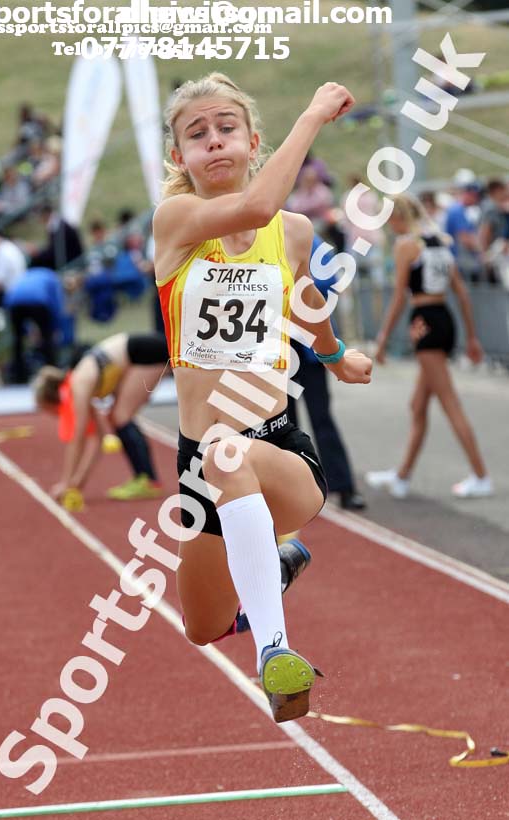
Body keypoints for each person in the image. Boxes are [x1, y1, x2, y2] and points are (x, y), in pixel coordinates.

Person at [153, 73, 371, 723]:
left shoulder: (295, 232)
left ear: (253, 143)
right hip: (202, 462)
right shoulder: (177, 224)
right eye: (197, 135)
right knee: (200, 625)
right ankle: (275, 564)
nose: (213, 143)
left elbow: (305, 304)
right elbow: (252, 209)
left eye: (225, 130)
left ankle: (275, 654)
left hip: (280, 453)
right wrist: (312, 113)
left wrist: (334, 355)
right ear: (178, 158)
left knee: (228, 452)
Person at [365, 194, 492, 500]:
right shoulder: (440, 241)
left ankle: (481, 475)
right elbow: (460, 293)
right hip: (444, 318)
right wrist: (472, 337)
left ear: (397, 218)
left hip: (425, 321)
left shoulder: (406, 245)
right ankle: (402, 476)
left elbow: (398, 297)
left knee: (449, 403)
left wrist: (382, 339)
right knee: (418, 406)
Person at [34, 333, 170, 503]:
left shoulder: (78, 386)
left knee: (121, 416)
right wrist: (76, 483)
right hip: (141, 352)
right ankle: (143, 478)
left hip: (147, 353)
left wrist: (66, 483)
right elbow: (97, 439)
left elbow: (78, 438)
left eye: (50, 411)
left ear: (52, 401)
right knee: (115, 416)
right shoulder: (80, 385)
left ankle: (149, 481)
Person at [288, 235, 366, 511]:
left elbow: (329, 279)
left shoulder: (301, 232)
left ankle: (344, 486)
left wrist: (295, 286)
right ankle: (293, 493)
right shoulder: (251, 232)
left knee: (321, 417)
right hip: (276, 347)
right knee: (283, 423)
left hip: (309, 345)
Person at [4, 266, 64, 383]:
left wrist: (26, 331)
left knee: (18, 341)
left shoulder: (26, 274)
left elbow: (12, 294)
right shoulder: (52, 276)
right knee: (47, 339)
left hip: (13, 303)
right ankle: (52, 375)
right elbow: (55, 304)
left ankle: (19, 376)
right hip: (38, 302)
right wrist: (56, 328)